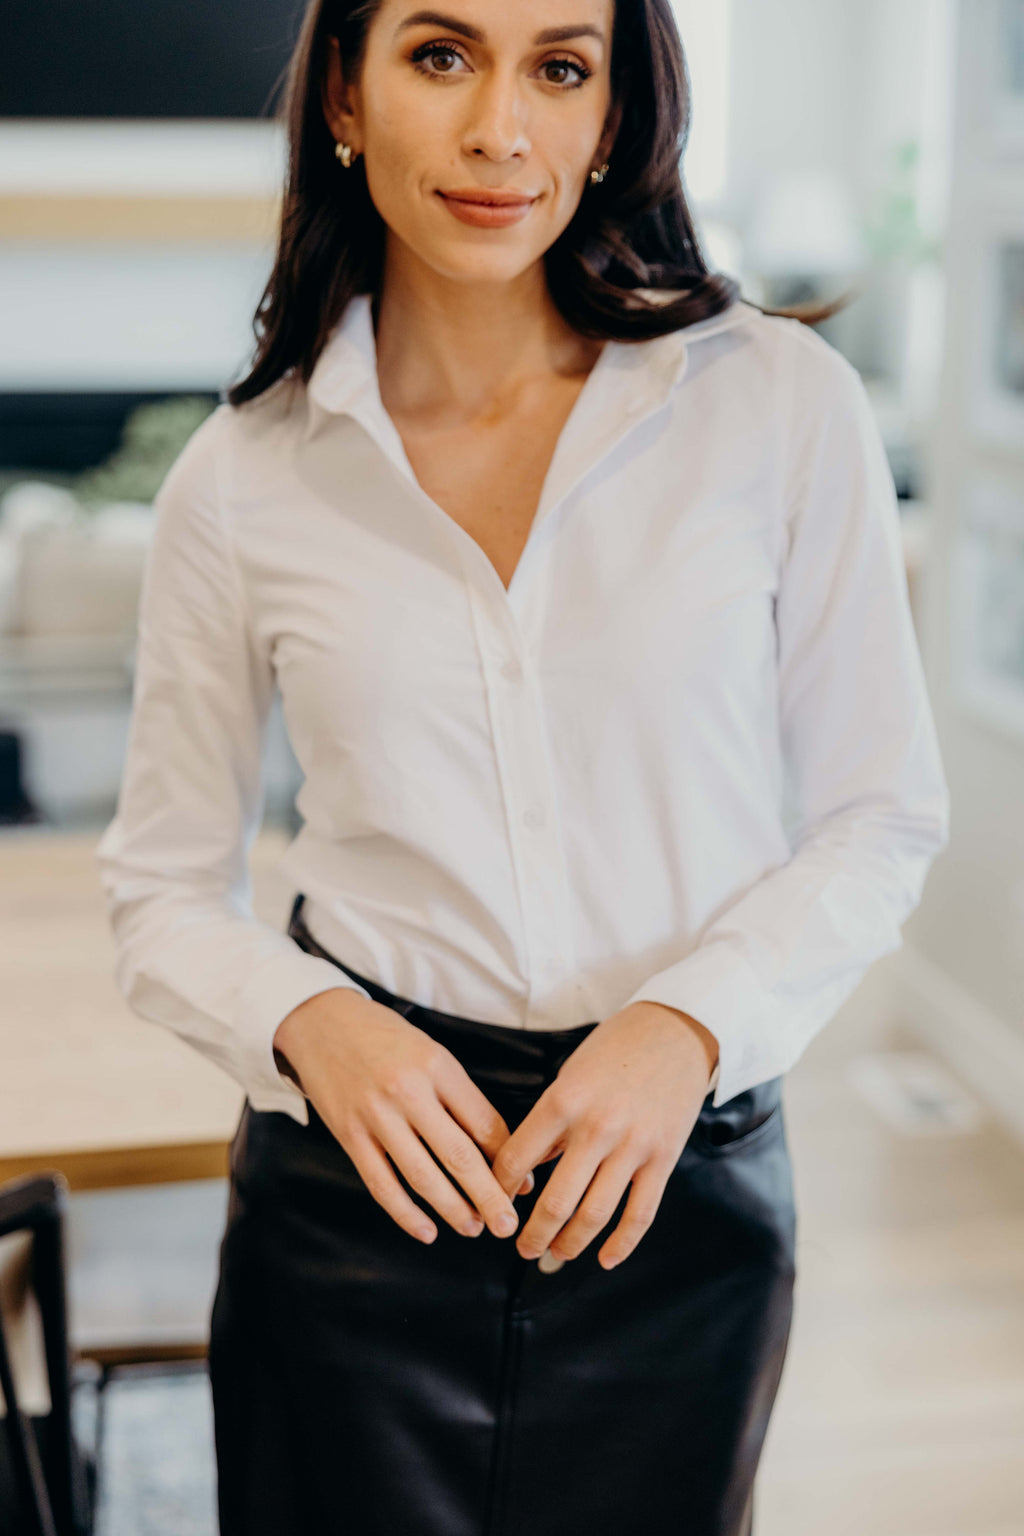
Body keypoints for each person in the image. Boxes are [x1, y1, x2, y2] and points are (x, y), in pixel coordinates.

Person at [95, 1, 951, 1532]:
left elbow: (881, 817)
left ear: (615, 117)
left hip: (675, 1205)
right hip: (353, 1200)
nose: (501, 129)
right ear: (345, 98)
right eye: (441, 56)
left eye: (560, 67)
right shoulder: (244, 479)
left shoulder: (776, 406)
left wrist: (687, 1027)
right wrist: (314, 1024)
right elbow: (161, 888)